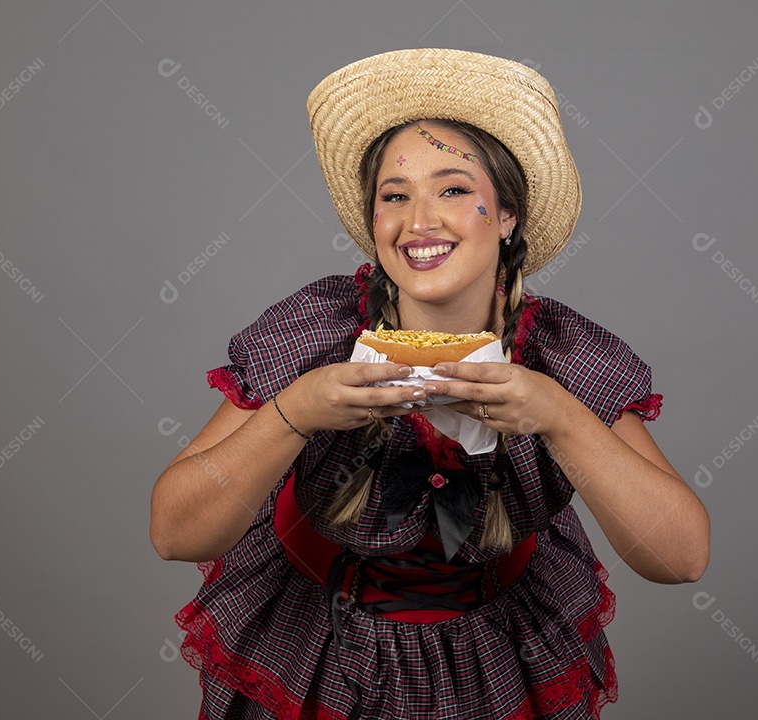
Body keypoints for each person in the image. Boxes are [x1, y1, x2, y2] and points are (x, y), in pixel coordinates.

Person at [151, 48, 710, 720]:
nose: (419, 221)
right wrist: (295, 412)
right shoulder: (315, 330)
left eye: (452, 189)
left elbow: (682, 559)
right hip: (315, 650)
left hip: (496, 660)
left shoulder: (562, 355)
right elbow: (175, 534)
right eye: (395, 196)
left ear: (506, 216)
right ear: (375, 219)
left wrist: (558, 416)